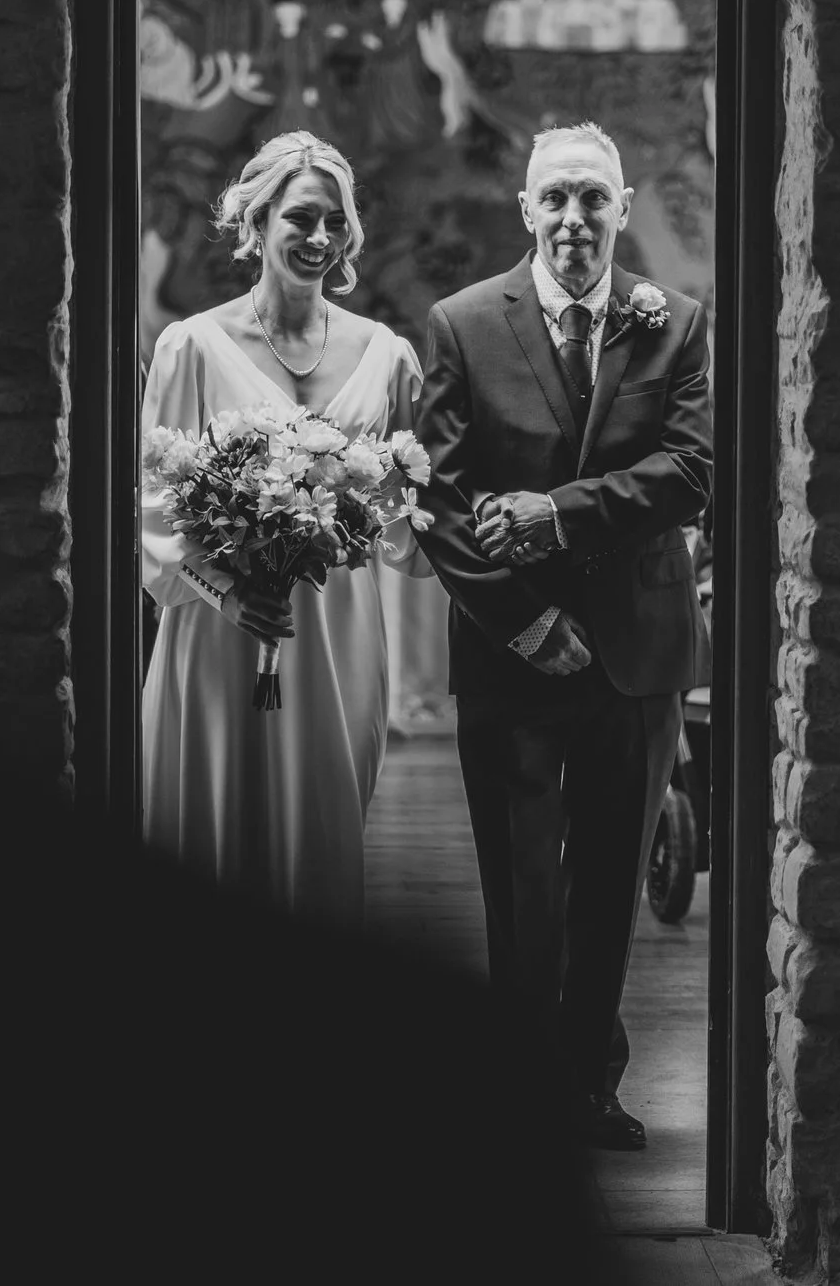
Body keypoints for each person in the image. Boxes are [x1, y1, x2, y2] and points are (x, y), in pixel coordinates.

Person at [415, 122, 715, 1151]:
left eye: (594, 197)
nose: (574, 218)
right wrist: (524, 617)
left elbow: (691, 469)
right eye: (557, 198)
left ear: (622, 208)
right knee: (521, 883)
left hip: (636, 653)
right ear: (526, 209)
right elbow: (439, 504)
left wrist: (559, 508)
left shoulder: (673, 321)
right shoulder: (459, 323)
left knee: (607, 884)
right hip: (510, 651)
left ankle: (588, 1079)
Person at [139, 130, 432, 924]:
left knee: (322, 832)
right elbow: (154, 515)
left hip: (337, 630)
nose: (320, 238)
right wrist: (228, 593)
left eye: (335, 222)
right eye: (301, 218)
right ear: (258, 222)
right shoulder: (190, 346)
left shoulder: (387, 356)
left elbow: (414, 521)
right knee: (210, 828)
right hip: (216, 629)